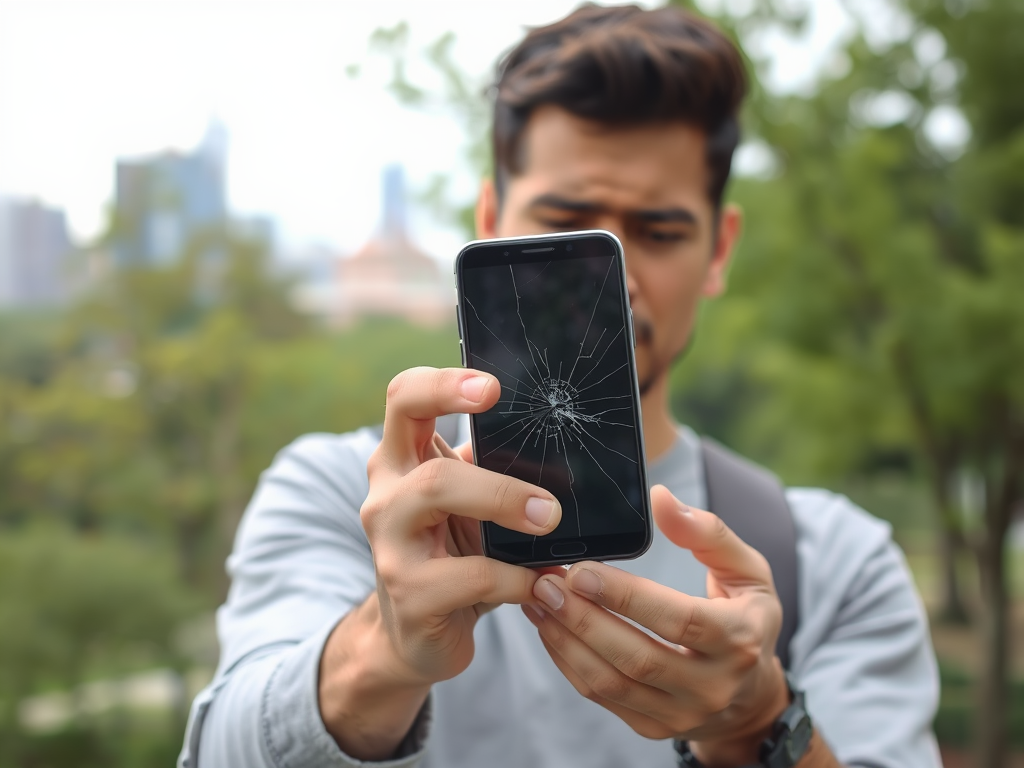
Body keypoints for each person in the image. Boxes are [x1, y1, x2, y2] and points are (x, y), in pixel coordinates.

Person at [179, 5, 942, 768]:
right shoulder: (339, 498)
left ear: (720, 249)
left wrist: (759, 726)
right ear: (491, 220)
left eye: (659, 232)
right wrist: (380, 653)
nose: (614, 287)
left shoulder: (833, 564)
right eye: (565, 227)